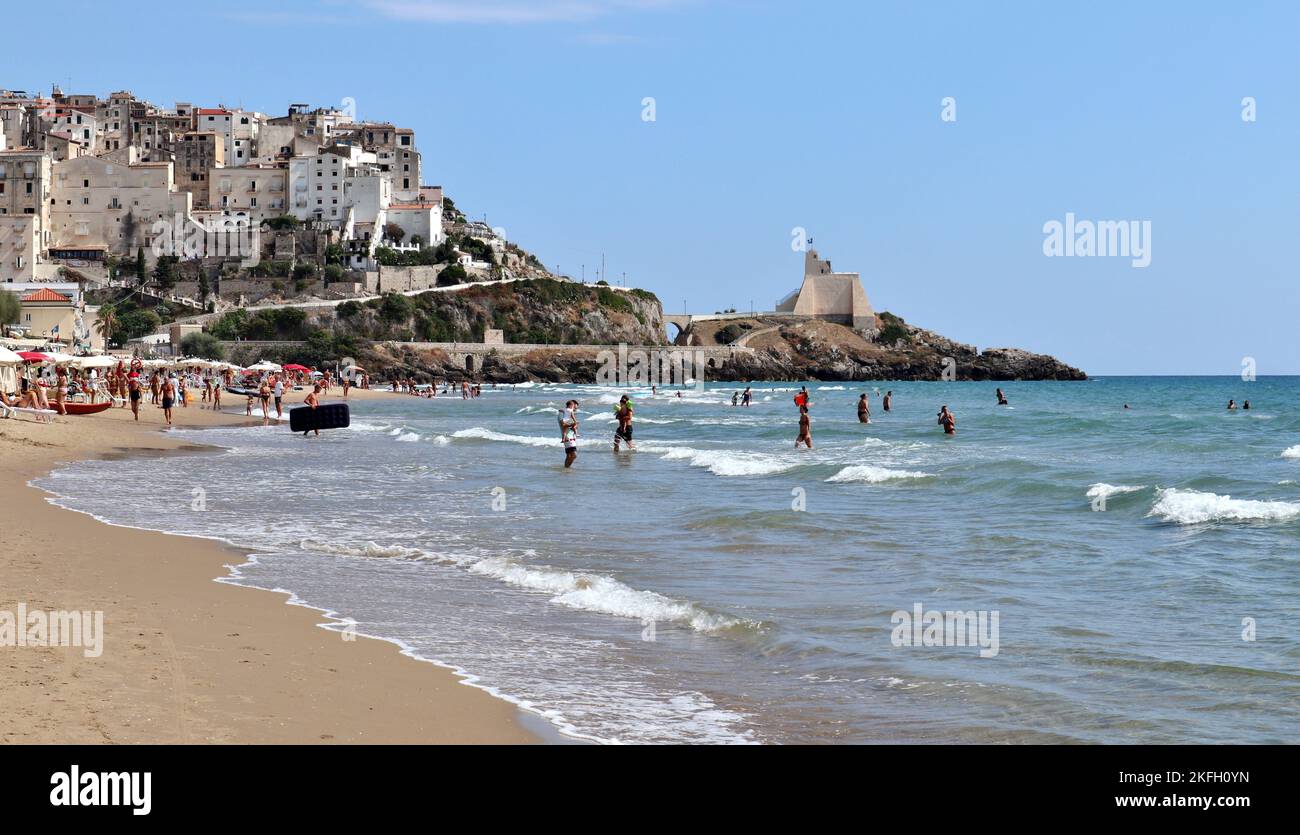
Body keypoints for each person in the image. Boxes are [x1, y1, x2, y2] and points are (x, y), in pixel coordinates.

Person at [558, 399, 579, 468]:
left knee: (569, 455)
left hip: (571, 437)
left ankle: (566, 470)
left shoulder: (569, 415)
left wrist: (574, 425)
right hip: (567, 437)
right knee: (574, 455)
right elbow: (563, 425)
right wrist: (573, 424)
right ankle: (566, 468)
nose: (576, 409)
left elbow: (574, 426)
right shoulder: (562, 414)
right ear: (572, 405)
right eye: (575, 407)